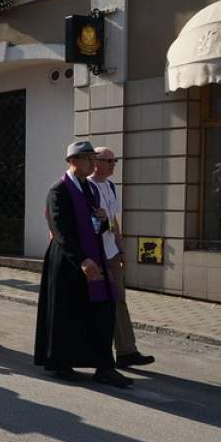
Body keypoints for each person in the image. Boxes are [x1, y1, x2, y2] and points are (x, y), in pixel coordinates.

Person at [33, 141, 133, 387]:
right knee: (68, 315)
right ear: (73, 161)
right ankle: (62, 363)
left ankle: (104, 367)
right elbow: (60, 231)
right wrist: (82, 260)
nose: (93, 163)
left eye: (93, 158)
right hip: (69, 263)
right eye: (88, 159)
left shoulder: (88, 188)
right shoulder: (59, 191)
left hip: (92, 258)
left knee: (103, 309)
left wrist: (100, 219)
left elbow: (93, 225)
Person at [89, 147, 155, 368]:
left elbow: (113, 220)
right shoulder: (87, 187)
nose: (113, 164)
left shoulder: (110, 186)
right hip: (95, 255)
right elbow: (91, 224)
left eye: (114, 161)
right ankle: (96, 353)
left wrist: (121, 247)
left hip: (111, 252)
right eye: (109, 160)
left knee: (119, 301)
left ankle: (126, 351)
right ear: (95, 162)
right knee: (98, 303)